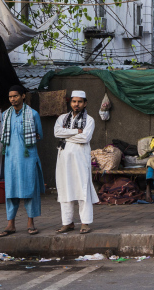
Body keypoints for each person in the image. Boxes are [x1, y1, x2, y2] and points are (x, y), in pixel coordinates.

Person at [0, 85, 44, 237]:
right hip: (11, 158)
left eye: (15, 96)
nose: (12, 99)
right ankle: (10, 224)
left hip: (28, 157)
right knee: (11, 191)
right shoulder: (5, 115)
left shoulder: (33, 114)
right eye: (10, 97)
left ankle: (31, 223)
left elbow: (39, 135)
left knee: (30, 189)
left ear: (23, 96)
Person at [53, 90, 98, 234]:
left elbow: (85, 138)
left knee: (82, 189)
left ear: (85, 103)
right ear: (70, 103)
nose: (76, 104)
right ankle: (67, 222)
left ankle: (85, 223)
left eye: (79, 101)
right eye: (74, 101)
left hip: (80, 159)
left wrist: (67, 134)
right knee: (64, 188)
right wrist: (76, 131)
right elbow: (57, 133)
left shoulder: (89, 120)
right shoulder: (62, 118)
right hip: (63, 159)